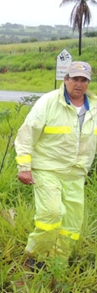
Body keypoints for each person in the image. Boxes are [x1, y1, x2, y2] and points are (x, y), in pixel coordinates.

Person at [14, 61, 97, 269]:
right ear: (66, 80)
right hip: (47, 169)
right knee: (51, 214)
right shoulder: (48, 102)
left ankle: (59, 262)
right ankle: (36, 258)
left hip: (76, 173)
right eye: (75, 79)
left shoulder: (94, 107)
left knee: (71, 223)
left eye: (84, 80)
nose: (79, 84)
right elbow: (27, 134)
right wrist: (24, 167)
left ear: (88, 82)